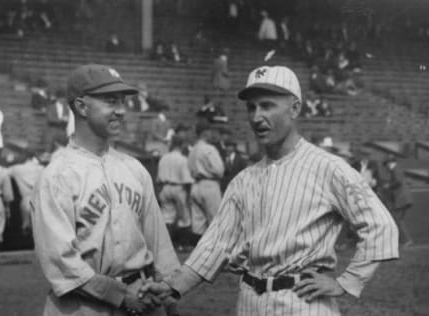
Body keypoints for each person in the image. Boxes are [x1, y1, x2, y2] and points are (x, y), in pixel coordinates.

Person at [140, 65, 399, 316]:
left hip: (302, 300)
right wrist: (172, 287)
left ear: (295, 108)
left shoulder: (328, 167)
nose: (256, 117)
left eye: (267, 105)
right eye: (251, 107)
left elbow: (380, 225)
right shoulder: (244, 180)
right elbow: (214, 246)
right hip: (250, 300)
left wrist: (346, 282)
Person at [32, 64, 180, 316]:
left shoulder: (134, 168)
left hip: (144, 296)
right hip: (83, 304)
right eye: (111, 102)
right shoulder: (56, 175)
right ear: (81, 106)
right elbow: (61, 262)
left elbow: (160, 244)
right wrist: (121, 296)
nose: (121, 111)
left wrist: (169, 297)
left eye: (122, 102)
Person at [187, 121, 224, 244]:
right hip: (209, 184)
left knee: (198, 223)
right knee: (215, 220)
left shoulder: (193, 149)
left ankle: (199, 254)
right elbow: (219, 170)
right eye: (209, 131)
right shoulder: (209, 148)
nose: (211, 134)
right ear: (205, 133)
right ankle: (216, 253)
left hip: (195, 185)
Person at [157, 135, 194, 250]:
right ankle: (183, 244)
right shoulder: (182, 159)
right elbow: (187, 179)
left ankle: (166, 245)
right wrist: (188, 194)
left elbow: (158, 178)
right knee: (184, 217)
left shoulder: (164, 158)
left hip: (165, 187)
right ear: (182, 145)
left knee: (167, 217)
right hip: (178, 187)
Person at [9, 148, 44, 235]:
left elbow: (3, 173)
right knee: (39, 228)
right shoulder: (41, 168)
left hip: (26, 200)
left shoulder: (17, 168)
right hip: (40, 200)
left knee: (26, 226)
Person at [382, 156, 414, 248]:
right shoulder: (397, 169)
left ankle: (406, 241)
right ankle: (405, 241)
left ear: (389, 163)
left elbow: (398, 181)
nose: (386, 167)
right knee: (399, 220)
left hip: (401, 199)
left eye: (386, 164)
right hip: (404, 198)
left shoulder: (395, 169)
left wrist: (388, 186)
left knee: (397, 220)